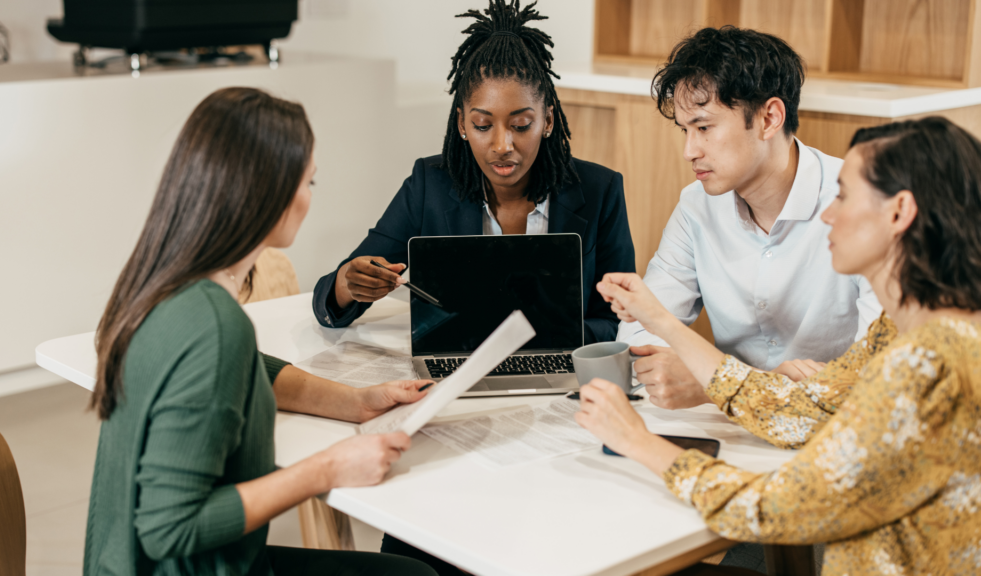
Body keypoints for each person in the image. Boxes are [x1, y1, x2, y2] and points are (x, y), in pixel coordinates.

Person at [579, 117, 981, 575]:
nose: (828, 213)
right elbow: (802, 410)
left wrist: (638, 441)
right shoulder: (905, 332)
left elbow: (775, 508)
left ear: (898, 212)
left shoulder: (926, 364)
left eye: (844, 196)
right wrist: (662, 322)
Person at [84, 87, 437, 576]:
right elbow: (169, 527)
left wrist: (357, 402)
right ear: (268, 192)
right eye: (310, 181)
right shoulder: (213, 324)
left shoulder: (160, 284)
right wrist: (327, 470)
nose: (311, 197)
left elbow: (245, 370)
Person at [311, 0, 635, 345]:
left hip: (563, 375)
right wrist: (349, 283)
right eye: (482, 125)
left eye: (521, 125)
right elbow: (329, 300)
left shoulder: (601, 191)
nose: (502, 145)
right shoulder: (430, 186)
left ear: (548, 121)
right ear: (462, 124)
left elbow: (622, 319)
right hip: (455, 373)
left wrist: (557, 336)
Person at [617, 26, 880, 411]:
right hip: (733, 429)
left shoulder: (860, 203)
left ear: (769, 118)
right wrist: (755, 385)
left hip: (834, 434)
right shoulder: (696, 207)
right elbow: (640, 338)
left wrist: (715, 384)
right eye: (685, 131)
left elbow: (882, 376)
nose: (689, 151)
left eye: (704, 128)